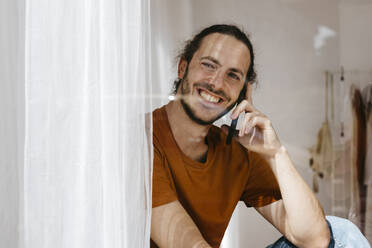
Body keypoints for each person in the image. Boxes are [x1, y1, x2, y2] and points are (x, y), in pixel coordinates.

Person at [150, 24, 370, 248]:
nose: (216, 83)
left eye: (233, 75)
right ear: (182, 67)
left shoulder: (236, 152)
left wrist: (276, 153)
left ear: (243, 93)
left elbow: (316, 239)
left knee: (342, 234)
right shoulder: (144, 140)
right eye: (208, 65)